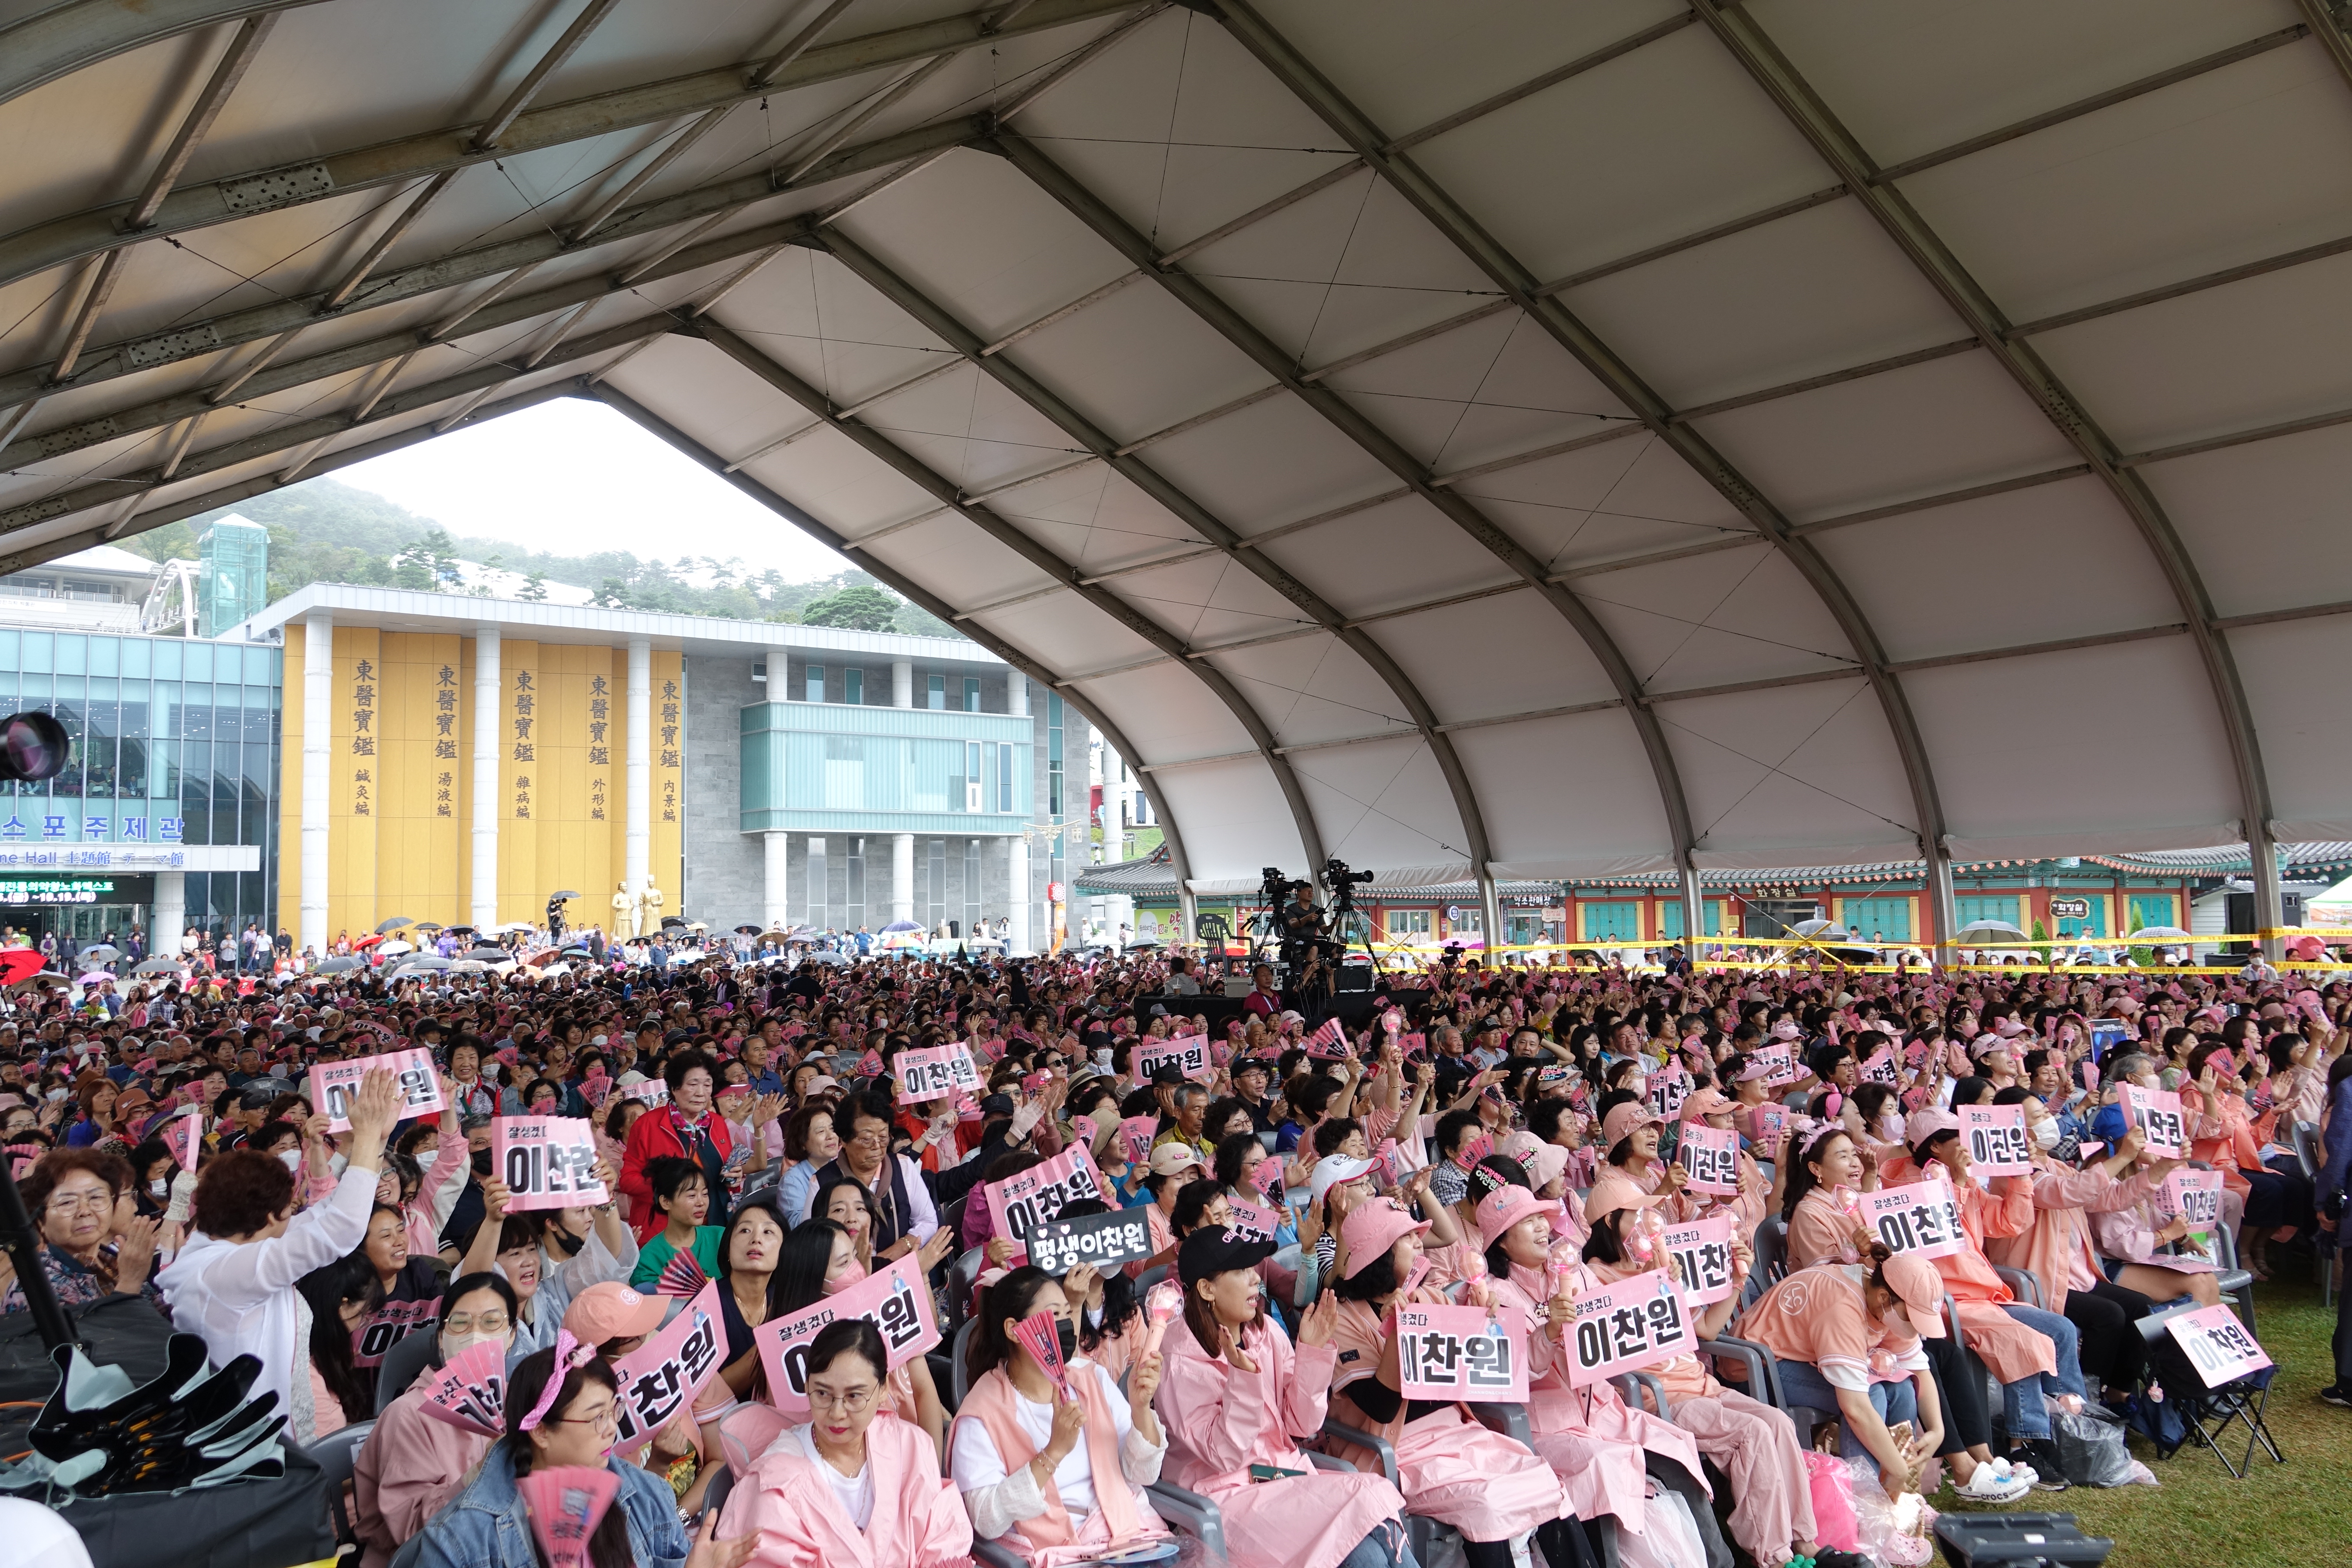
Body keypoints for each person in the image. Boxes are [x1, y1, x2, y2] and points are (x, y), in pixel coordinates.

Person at [1320, 1197, 1581, 1568]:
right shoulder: (1341, 1319)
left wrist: (1484, 1327)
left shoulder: (1430, 1297)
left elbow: (1485, 1374)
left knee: (1545, 1481)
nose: (1418, 1245)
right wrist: (1400, 1333)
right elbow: (1381, 1406)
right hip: (1402, 1452)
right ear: (1380, 1254)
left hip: (1461, 1434)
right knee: (1487, 1502)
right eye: (1407, 1239)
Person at [1478, 1185, 1730, 1562]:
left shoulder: (1575, 1272)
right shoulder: (1493, 1295)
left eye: (1541, 1219)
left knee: (1676, 1445)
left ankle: (1717, 1559)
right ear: (1501, 1242)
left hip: (1603, 1408)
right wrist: (1547, 1334)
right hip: (1546, 1426)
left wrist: (1658, 1280)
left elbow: (1618, 1320)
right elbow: (1508, 1374)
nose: (1542, 1228)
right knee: (1606, 1464)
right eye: (1527, 1222)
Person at [1154, 1225, 1415, 1568]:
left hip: (1285, 1478)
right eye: (1241, 1272)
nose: (1254, 1281)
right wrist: (1243, 1378)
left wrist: (1311, 1352)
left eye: (1252, 1270)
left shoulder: (1265, 1331)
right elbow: (1227, 1455)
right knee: (1366, 1547)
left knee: (1374, 1528)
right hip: (1228, 1499)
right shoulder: (1178, 1362)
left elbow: (1303, 1424)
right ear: (1206, 1289)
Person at [156, 1068, 398, 1439]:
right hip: (242, 1444)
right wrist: (364, 1138)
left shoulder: (237, 1244)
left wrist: (373, 1144)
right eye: (290, 1205)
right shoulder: (222, 1272)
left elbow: (324, 1216)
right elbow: (340, 1230)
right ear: (271, 1216)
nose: (296, 1210)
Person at [413, 1336, 753, 1568]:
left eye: (613, 1410)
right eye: (596, 1417)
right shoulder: (461, 1537)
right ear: (541, 1431)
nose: (610, 1428)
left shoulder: (647, 1494)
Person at [950, 1265, 1173, 1565]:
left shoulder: (1090, 1378)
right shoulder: (981, 1414)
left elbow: (1143, 1474)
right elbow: (986, 1521)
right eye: (1054, 1315)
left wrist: (1140, 1410)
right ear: (1014, 1330)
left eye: (1068, 1313)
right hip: (1059, 1556)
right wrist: (1053, 1452)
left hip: (1129, 1539)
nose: (1066, 1324)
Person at [717, 1318, 975, 1568]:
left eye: (854, 1396)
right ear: (807, 1386)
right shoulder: (775, 1482)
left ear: (883, 1389)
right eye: (822, 1393)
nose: (837, 1413)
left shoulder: (909, 1446)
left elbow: (942, 1536)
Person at [352, 1274, 520, 1568]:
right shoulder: (409, 1414)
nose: (475, 1334)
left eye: (492, 1322)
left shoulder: (519, 1402)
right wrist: (479, 1472)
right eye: (460, 1323)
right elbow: (409, 1528)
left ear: (512, 1336)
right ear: (442, 1338)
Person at [2, 1148, 163, 1316]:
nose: (85, 1211)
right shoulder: (35, 1286)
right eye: (67, 1203)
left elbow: (165, 1318)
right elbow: (105, 1339)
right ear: (41, 1221)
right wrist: (131, 1282)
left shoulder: (109, 1261)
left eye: (96, 1198)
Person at [619, 1050, 735, 1242]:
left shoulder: (717, 1123)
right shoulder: (648, 1125)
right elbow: (628, 1180)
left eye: (707, 1085)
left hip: (713, 1226)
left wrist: (734, 1176)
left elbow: (725, 1171)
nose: (701, 1093)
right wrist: (670, 1193)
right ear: (674, 1087)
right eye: (692, 1084)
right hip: (664, 1229)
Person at [632, 1155, 727, 1288]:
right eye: (692, 1196)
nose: (701, 1203)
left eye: (705, 1194)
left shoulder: (721, 1238)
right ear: (666, 1202)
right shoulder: (649, 1259)